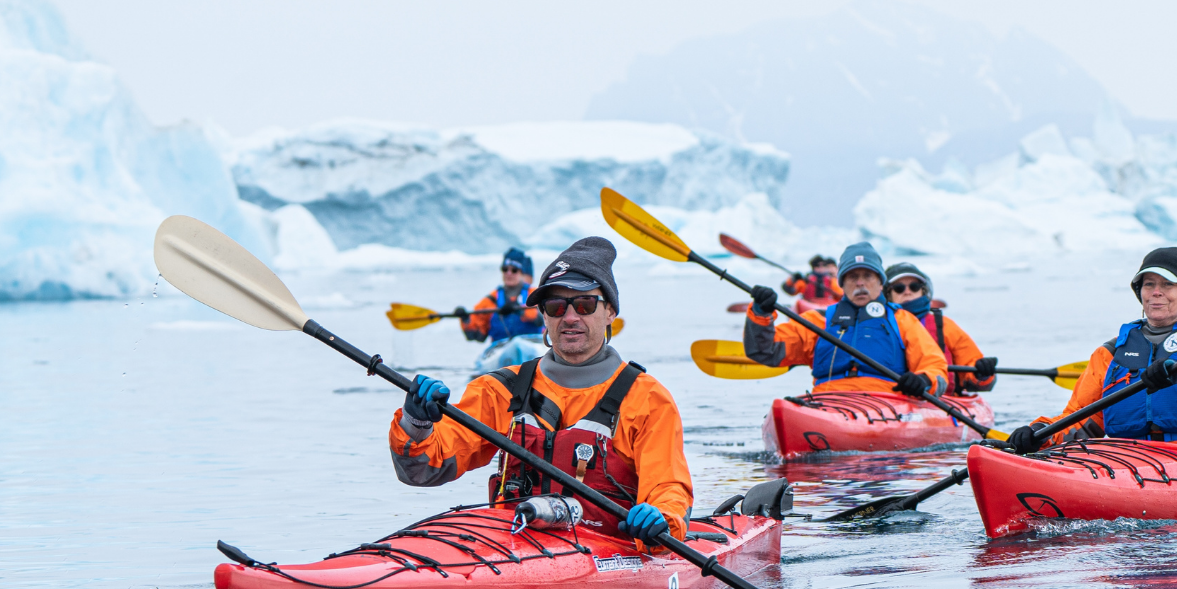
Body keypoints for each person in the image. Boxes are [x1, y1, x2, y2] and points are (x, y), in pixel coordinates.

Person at [392, 237, 693, 543]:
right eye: (556, 306)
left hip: (609, 553)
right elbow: (421, 471)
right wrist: (416, 423)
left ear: (610, 312)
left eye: (585, 304)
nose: (570, 317)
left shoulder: (647, 399)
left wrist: (662, 521)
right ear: (544, 316)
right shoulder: (500, 389)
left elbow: (668, 489)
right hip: (511, 549)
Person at [1005, 247, 1177, 453]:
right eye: (1148, 284)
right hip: (1132, 458)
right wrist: (1040, 433)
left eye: (1167, 285)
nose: (1156, 293)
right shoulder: (1111, 352)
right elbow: (1083, 419)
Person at [743, 242, 947, 398]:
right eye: (852, 276)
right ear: (842, 283)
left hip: (886, 401)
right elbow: (764, 351)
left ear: (879, 283)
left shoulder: (903, 321)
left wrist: (923, 380)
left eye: (867, 275)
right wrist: (760, 313)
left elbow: (935, 367)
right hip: (827, 401)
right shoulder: (817, 321)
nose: (860, 283)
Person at [884, 261, 997, 394]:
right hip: (894, 400)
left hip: (943, 403)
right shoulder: (878, 325)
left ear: (923, 290)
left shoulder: (944, 326)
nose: (907, 292)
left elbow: (970, 367)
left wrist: (982, 372)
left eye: (914, 286)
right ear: (888, 293)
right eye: (899, 288)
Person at [463, 247, 544, 361]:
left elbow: (541, 320)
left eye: (514, 270)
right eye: (505, 269)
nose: (509, 273)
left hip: (533, 346)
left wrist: (519, 310)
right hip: (499, 350)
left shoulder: (535, 295)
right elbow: (477, 336)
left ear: (522, 273)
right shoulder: (491, 300)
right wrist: (465, 320)